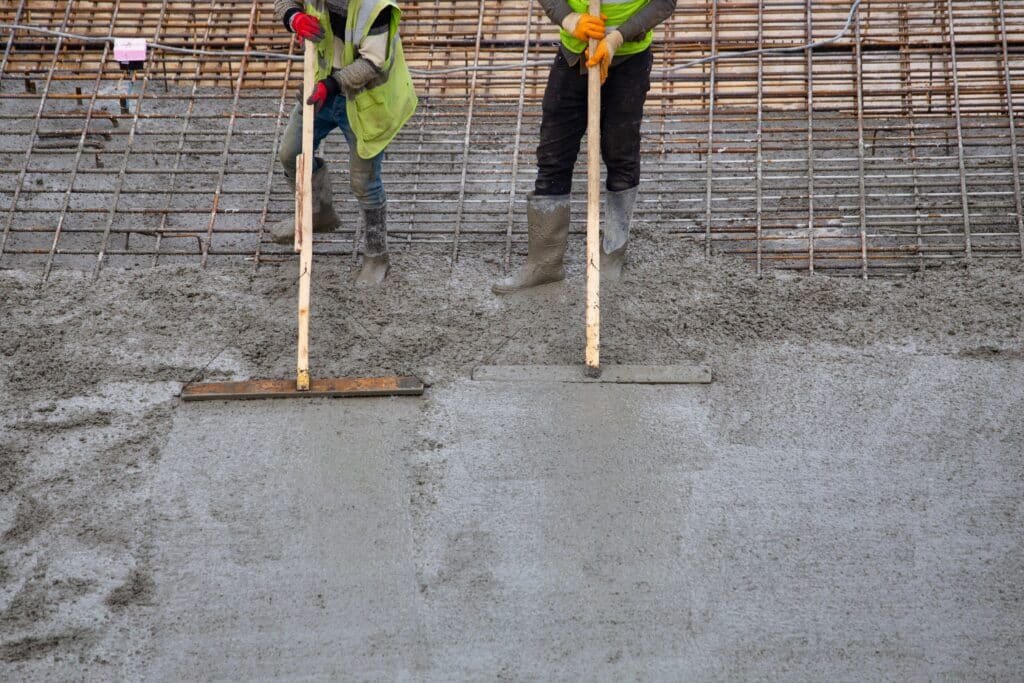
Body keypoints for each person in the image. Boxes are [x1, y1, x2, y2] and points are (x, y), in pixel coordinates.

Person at [493, 0, 677, 293]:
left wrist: (617, 38)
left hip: (629, 58)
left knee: (621, 153)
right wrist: (570, 20)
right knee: (553, 153)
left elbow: (664, 2)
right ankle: (544, 264)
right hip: (575, 54)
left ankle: (611, 254)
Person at [270, 0, 417, 285]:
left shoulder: (375, 7)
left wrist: (330, 86)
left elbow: (372, 63)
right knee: (291, 154)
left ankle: (376, 256)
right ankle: (317, 213)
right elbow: (283, 2)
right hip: (321, 86)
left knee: (364, 182)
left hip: (366, 99)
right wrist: (293, 17)